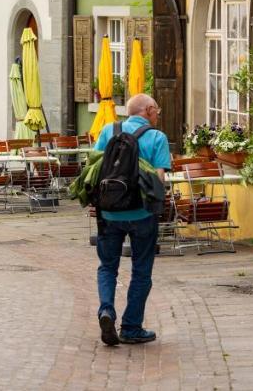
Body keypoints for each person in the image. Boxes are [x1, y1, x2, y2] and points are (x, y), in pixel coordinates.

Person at [92, 93, 171, 346]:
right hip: (142, 214)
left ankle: (106, 311)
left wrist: (96, 203)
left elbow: (93, 168)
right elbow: (158, 179)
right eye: (156, 110)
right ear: (148, 110)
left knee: (107, 267)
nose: (158, 114)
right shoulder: (157, 137)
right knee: (141, 271)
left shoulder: (108, 131)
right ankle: (131, 327)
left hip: (110, 212)